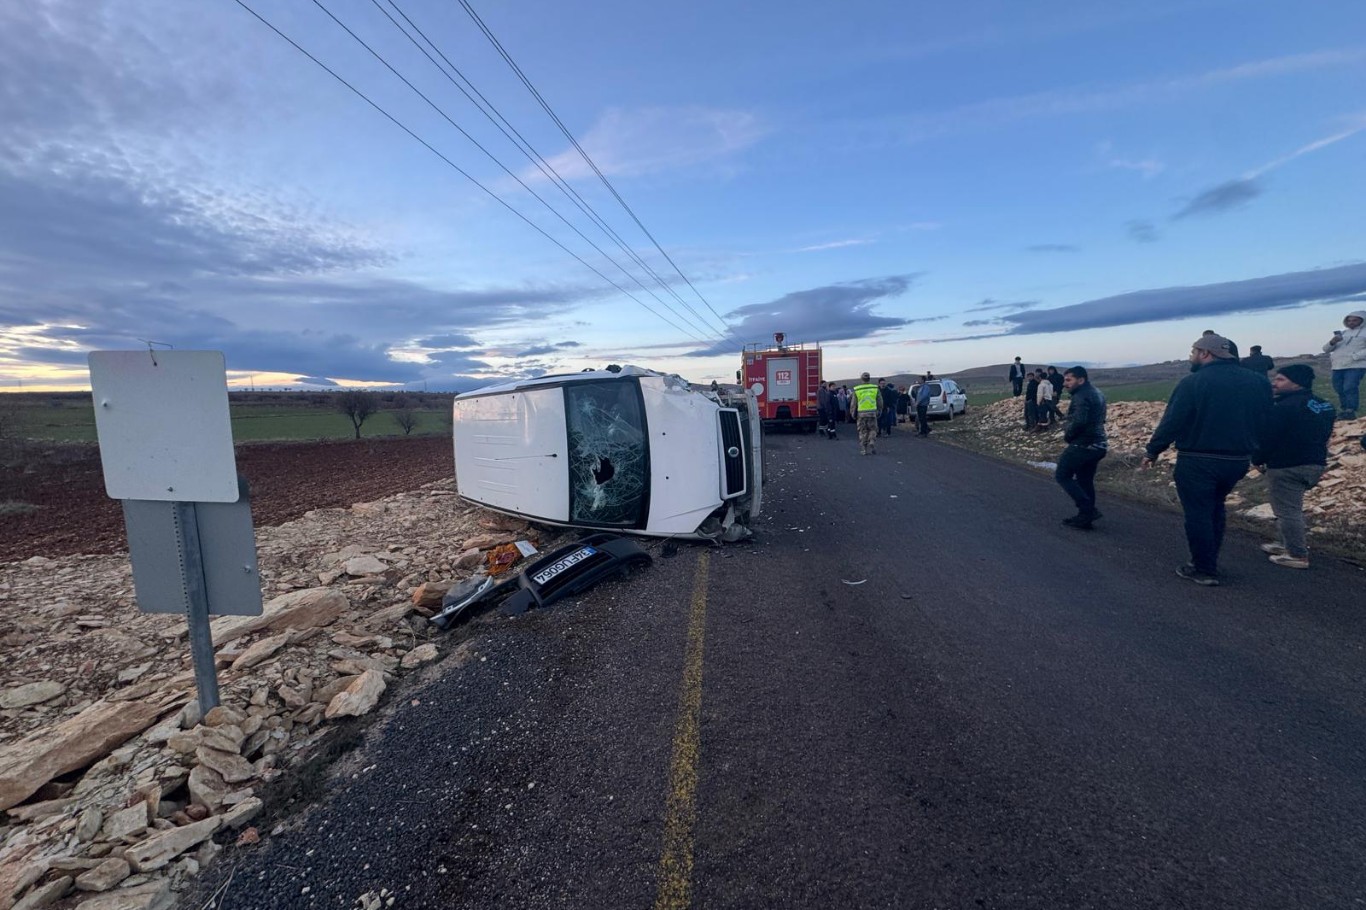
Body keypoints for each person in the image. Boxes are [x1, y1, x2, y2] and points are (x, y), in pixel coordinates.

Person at [1141, 334, 1272, 586]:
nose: (1191, 356)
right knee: (1216, 507)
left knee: (1199, 512)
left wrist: (1152, 450)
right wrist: (1260, 455)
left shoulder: (1193, 382)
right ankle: (1209, 560)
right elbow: (1265, 421)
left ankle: (1203, 567)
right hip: (1237, 460)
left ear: (1205, 353)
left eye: (1193, 351)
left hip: (1198, 458)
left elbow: (1173, 421)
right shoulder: (1259, 382)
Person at [1250, 365, 1335, 569]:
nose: (1274, 383)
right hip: (1315, 463)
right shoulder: (1324, 405)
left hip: (1287, 465)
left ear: (1296, 382)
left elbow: (1269, 437)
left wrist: (1258, 458)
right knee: (1290, 506)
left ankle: (1297, 555)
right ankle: (1282, 543)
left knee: (1287, 510)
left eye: (1280, 379)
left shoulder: (1283, 407)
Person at [1055, 366, 1107, 529]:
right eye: (1065, 380)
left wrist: (1068, 436)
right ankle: (1085, 518)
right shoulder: (1097, 392)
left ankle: (1087, 509)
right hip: (1099, 444)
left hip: (1084, 444)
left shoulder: (1081, 396)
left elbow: (1079, 421)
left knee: (1062, 474)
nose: (1065, 384)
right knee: (1085, 480)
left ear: (1081, 380)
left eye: (1069, 380)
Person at [1322, 310, 1366, 419]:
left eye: (1354, 320)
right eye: (1349, 320)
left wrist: (1355, 356)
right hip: (1338, 365)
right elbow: (1326, 349)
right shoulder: (1343, 333)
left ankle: (1351, 410)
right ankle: (1344, 410)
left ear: (1362, 320)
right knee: (1339, 388)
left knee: (1349, 387)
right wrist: (1333, 341)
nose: (1351, 322)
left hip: (1356, 365)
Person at [851, 372, 882, 455]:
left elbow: (854, 403)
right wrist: (879, 410)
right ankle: (871, 441)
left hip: (861, 413)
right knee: (873, 429)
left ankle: (864, 449)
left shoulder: (857, 389)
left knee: (862, 430)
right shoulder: (875, 388)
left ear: (861, 379)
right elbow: (880, 402)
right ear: (869, 378)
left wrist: (853, 413)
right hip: (872, 413)